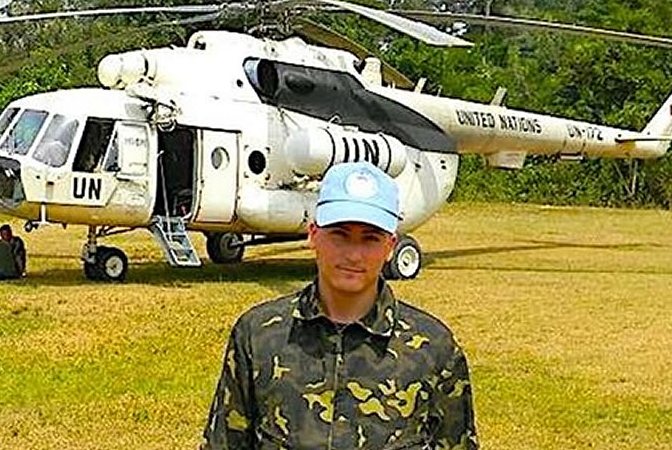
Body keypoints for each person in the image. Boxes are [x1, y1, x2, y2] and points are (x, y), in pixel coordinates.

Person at [201, 162, 478, 450]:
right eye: (339, 234)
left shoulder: (432, 348)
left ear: (390, 246)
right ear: (313, 235)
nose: (354, 254)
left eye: (370, 238)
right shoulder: (258, 336)